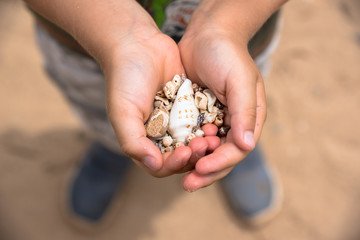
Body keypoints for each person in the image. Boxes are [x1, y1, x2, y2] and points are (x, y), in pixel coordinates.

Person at [24, 0, 287, 229]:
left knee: (239, 103)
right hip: (83, 38)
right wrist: (116, 32)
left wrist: (225, 25)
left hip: (240, 37)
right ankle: (111, 148)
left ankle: (238, 140)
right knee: (109, 115)